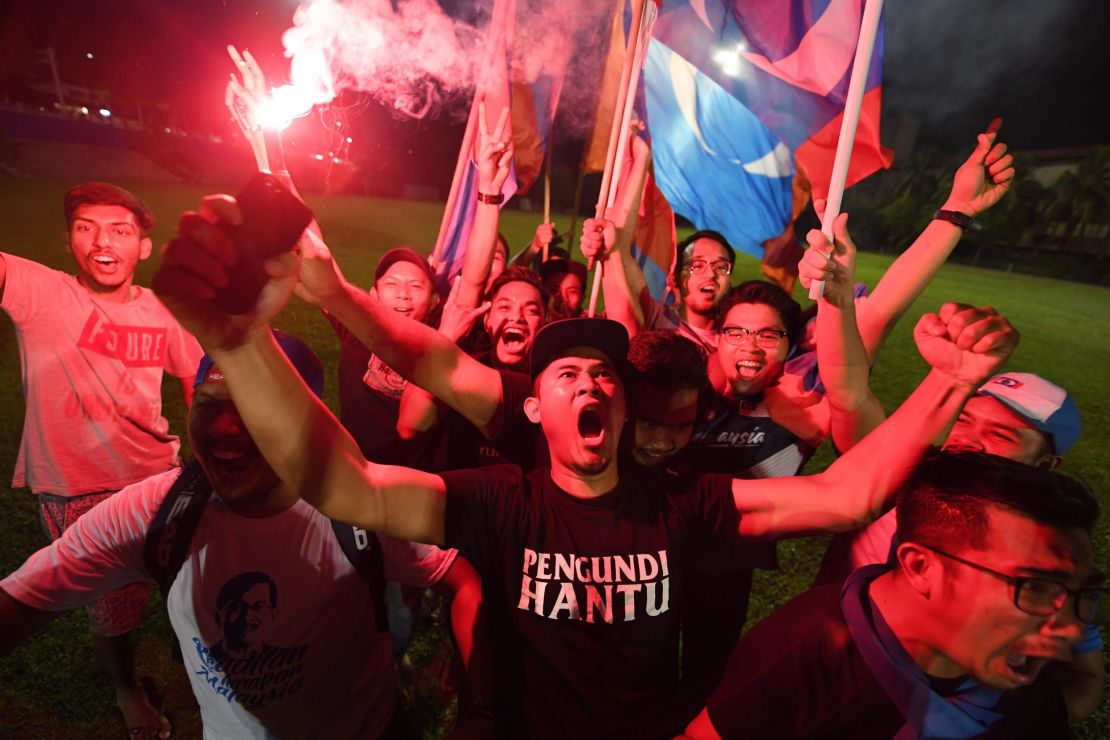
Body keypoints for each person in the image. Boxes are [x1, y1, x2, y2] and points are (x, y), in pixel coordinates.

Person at [151, 191, 1019, 736]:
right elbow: (346, 483)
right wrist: (241, 345)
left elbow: (850, 491)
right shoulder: (503, 499)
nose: (588, 382)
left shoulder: (686, 503)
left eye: (603, 372)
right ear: (534, 408)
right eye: (565, 373)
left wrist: (949, 386)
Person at [0, 333, 486, 738]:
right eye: (209, 405)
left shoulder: (360, 504)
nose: (228, 428)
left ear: (307, 422)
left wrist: (481, 706)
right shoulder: (159, 513)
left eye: (257, 409)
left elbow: (461, 580)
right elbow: (21, 600)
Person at [684, 452, 1104, 739]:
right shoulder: (801, 663)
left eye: (1082, 592)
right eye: (1032, 587)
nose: (1069, 628)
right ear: (922, 567)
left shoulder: (1014, 672)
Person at [0, 181, 202, 737]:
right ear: (68, 241)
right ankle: (127, 689)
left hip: (160, 479)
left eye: (119, 229)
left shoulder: (162, 310)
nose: (101, 241)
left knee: (189, 583)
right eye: (85, 228)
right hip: (76, 489)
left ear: (143, 246)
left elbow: (193, 376)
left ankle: (206, 663)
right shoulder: (41, 290)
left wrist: (204, 451)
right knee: (113, 609)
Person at [816, 371, 1103, 722]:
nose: (967, 440)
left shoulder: (1046, 561)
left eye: (999, 434)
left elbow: (1084, 675)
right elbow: (851, 395)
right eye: (964, 419)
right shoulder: (893, 473)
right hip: (819, 668)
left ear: (1045, 466)